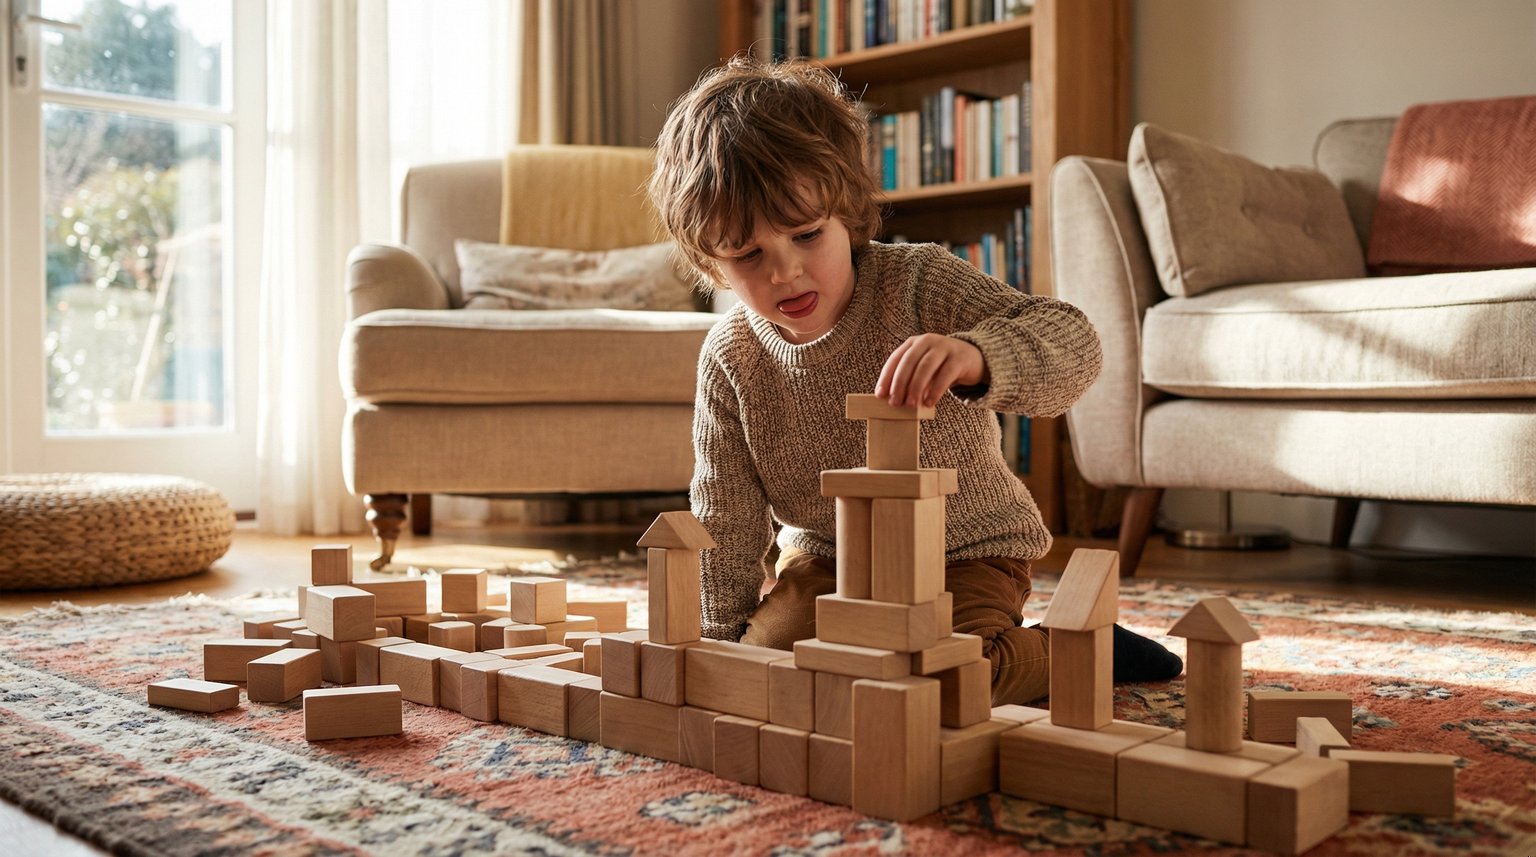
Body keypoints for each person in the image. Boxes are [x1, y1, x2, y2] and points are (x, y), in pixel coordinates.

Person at [646, 56, 1181, 704]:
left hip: (969, 551)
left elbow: (1076, 345)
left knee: (943, 684)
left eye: (808, 234)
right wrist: (715, 648)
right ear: (711, 259)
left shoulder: (919, 282)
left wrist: (977, 355)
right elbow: (724, 517)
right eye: (748, 255)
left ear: (846, 211)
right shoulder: (730, 357)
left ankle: (1077, 644)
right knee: (773, 676)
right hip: (830, 559)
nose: (785, 271)